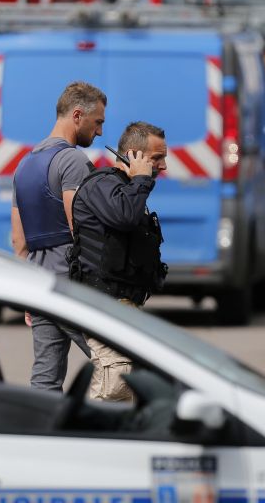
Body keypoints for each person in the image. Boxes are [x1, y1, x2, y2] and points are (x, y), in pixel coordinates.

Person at [11, 81, 106, 391]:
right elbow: (82, 228)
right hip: (70, 287)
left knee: (45, 381)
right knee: (115, 364)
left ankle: (40, 436)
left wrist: (27, 292)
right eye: (98, 122)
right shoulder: (73, 162)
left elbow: (19, 240)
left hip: (39, 286)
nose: (100, 132)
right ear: (77, 115)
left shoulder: (24, 165)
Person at [67, 121, 168, 402]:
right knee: (114, 384)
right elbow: (122, 217)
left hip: (123, 308)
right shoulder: (103, 185)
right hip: (103, 304)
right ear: (134, 156)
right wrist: (141, 179)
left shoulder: (128, 191)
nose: (163, 166)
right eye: (157, 158)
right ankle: (81, 442)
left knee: (127, 392)